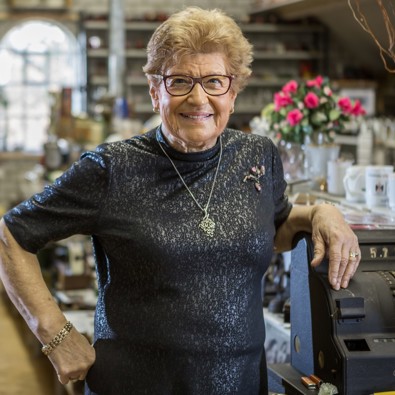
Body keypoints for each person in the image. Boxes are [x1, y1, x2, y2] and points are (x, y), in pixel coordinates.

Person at [0, 7, 360, 395]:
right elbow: (12, 236)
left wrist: (323, 211)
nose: (198, 97)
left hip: (241, 384)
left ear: (233, 93)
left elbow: (275, 225)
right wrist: (54, 334)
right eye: (180, 81)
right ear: (156, 92)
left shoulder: (258, 156)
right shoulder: (112, 168)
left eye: (214, 81)